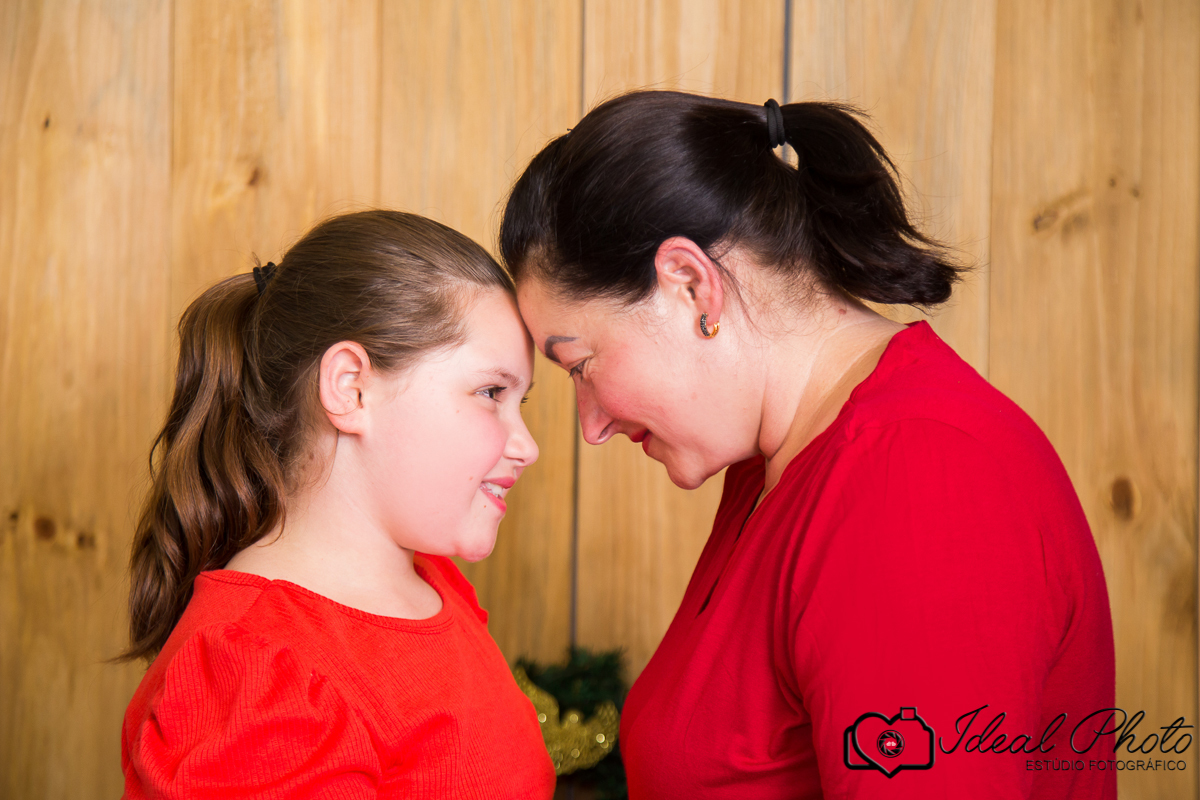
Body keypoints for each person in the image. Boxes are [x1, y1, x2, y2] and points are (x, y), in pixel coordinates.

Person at [500, 91, 1115, 799]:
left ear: (690, 285)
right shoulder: (772, 467)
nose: (591, 424)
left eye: (581, 365)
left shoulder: (915, 480)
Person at [120, 210, 555, 799]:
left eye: (519, 400)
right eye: (491, 392)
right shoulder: (256, 667)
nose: (526, 446)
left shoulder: (436, 585)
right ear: (350, 388)